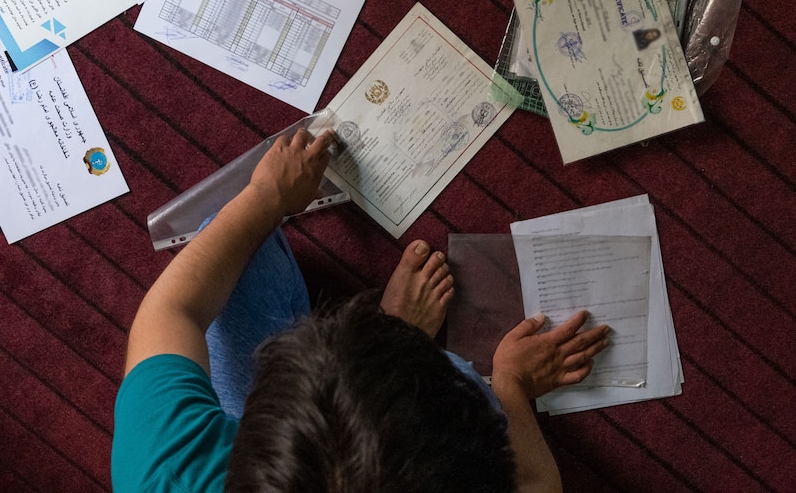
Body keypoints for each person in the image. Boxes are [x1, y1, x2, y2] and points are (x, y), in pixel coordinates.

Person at [112, 128, 611, 493]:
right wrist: (512, 389)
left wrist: (268, 196)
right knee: (465, 388)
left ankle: (393, 340)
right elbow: (539, 485)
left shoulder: (169, 475)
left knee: (228, 240)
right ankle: (400, 336)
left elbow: (172, 311)